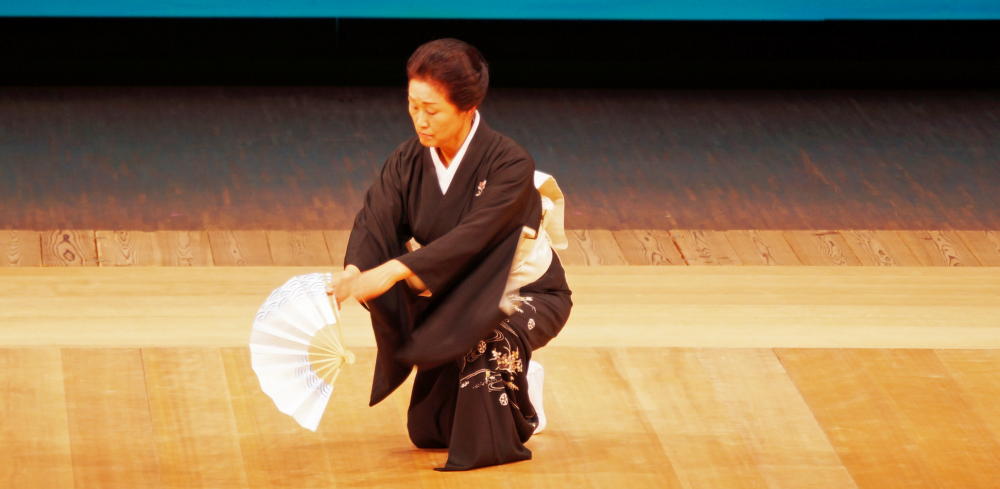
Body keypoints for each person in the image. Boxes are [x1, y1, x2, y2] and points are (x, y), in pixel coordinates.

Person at [329, 38, 572, 471]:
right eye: (412, 106)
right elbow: (376, 219)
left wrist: (394, 270)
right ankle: (514, 375)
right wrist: (353, 271)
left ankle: (522, 397)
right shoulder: (408, 160)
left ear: (467, 107)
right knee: (429, 430)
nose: (419, 120)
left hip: (522, 293)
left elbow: (473, 240)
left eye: (432, 110)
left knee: (486, 348)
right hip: (456, 292)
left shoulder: (509, 164)